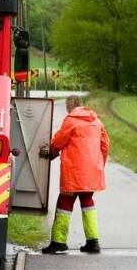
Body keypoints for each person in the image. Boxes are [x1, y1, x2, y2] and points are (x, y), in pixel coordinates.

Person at [42, 95, 109, 254]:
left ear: (69, 106)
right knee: (87, 201)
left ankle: (59, 242)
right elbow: (105, 146)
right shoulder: (97, 122)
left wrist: (51, 152)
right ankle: (93, 242)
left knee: (65, 202)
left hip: (74, 171)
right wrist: (98, 165)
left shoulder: (71, 121)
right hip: (92, 171)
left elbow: (58, 141)